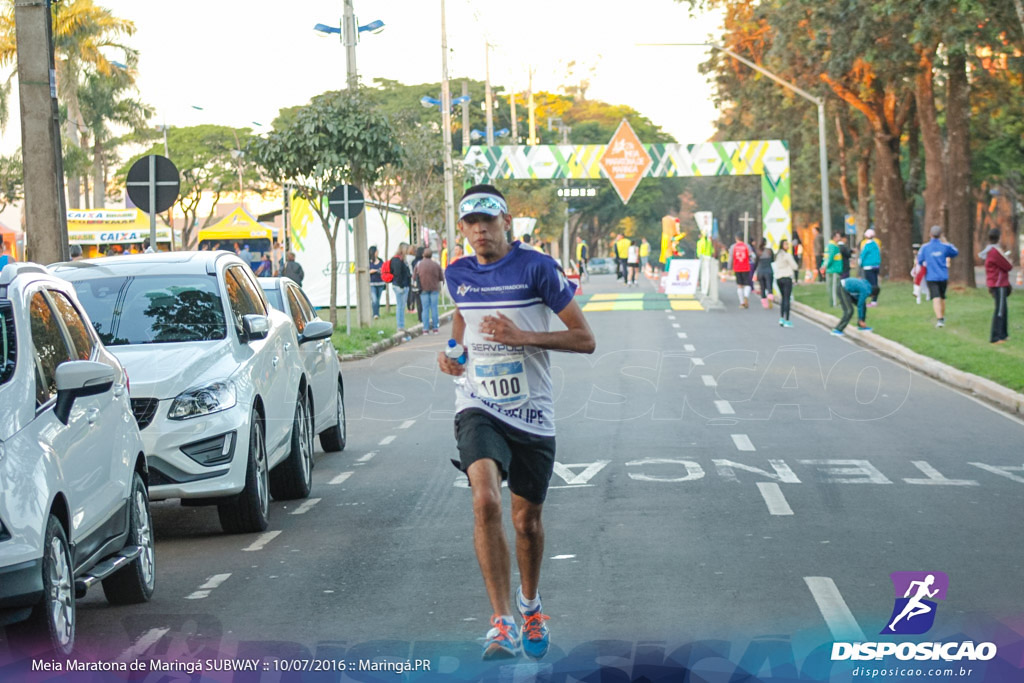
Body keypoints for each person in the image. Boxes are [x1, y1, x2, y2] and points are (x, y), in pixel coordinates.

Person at [440, 184, 595, 661]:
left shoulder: (537, 268)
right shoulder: (456, 273)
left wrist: (521, 336)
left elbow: (584, 339)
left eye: (488, 219)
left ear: (507, 220)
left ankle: (530, 605)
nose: (480, 229)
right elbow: (462, 325)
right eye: (470, 223)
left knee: (526, 523)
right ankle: (502, 623)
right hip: (478, 404)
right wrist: (453, 354)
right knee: (484, 499)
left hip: (532, 411)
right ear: (462, 228)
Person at [917, 225, 959, 328]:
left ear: (930, 234)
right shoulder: (945, 246)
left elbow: (920, 260)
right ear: (940, 235)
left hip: (931, 276)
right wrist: (946, 242)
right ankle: (942, 317)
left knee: (936, 297)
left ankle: (940, 320)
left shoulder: (925, 247)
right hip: (943, 275)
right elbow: (955, 252)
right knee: (942, 297)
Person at [980, 228, 1012, 344]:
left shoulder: (990, 250)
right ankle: (995, 337)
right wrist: (1007, 258)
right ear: (998, 237)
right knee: (999, 310)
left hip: (997, 283)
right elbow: (1008, 266)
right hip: (998, 283)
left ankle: (1004, 334)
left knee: (1003, 309)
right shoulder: (995, 251)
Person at [415, 247, 444, 334]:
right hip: (434, 288)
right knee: (434, 308)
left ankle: (425, 329)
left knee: (425, 308)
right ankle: (435, 328)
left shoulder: (419, 264)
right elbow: (441, 277)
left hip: (423, 288)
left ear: (423, 255)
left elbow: (414, 276)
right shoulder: (436, 264)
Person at [774, 239, 798, 328]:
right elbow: (794, 266)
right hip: (787, 277)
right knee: (787, 299)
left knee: (783, 298)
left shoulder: (777, 255)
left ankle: (781, 317)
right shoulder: (787, 255)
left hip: (778, 277)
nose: (787, 246)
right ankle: (787, 320)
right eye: (786, 244)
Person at [389, 243, 412, 334]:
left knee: (401, 307)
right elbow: (397, 274)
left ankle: (401, 325)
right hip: (400, 286)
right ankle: (400, 326)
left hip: (401, 285)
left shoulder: (399, 259)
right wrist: (402, 285)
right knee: (400, 306)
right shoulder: (397, 260)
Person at [728, 234, 753, 308]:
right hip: (746, 267)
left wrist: (729, 268)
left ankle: (742, 302)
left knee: (739, 285)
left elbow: (730, 258)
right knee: (747, 284)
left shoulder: (733, 247)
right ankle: (746, 296)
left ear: (736, 238)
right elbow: (752, 256)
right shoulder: (747, 246)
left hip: (737, 267)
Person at [859, 229, 881, 305]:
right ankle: (874, 300)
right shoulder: (876, 245)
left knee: (870, 284)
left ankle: (872, 300)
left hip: (868, 267)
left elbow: (862, 256)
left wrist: (860, 264)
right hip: (876, 266)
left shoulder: (867, 245)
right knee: (875, 282)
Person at [821, 233, 843, 307]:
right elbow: (830, 258)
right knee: (834, 288)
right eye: (838, 237)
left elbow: (826, 258)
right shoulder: (833, 246)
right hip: (834, 269)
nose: (839, 238)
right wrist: (825, 266)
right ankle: (834, 303)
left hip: (831, 269)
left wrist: (823, 266)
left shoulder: (829, 246)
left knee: (832, 287)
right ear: (834, 237)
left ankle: (833, 302)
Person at [369, 246, 386, 320]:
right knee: (374, 299)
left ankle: (377, 313)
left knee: (378, 300)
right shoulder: (369, 261)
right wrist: (375, 270)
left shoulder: (381, 260)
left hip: (380, 283)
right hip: (372, 283)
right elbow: (368, 271)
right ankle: (375, 314)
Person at [410, 245, 425, 321]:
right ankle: (424, 317)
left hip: (415, 283)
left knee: (418, 302)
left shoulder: (413, 262)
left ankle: (420, 317)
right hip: (423, 282)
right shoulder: (423, 262)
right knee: (424, 302)